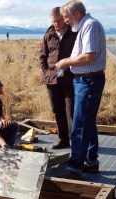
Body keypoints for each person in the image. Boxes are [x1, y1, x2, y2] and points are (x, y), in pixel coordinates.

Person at [56, 0, 106, 179]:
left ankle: (75, 168)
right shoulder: (84, 26)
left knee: (80, 124)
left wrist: (66, 62)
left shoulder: (89, 26)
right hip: (86, 80)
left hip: (88, 80)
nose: (65, 20)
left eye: (66, 16)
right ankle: (90, 161)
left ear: (76, 14)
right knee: (88, 122)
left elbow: (89, 56)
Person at [40, 7, 77, 149]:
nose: (56, 24)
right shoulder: (48, 34)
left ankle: (75, 141)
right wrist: (46, 72)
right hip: (52, 80)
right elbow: (42, 55)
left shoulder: (74, 32)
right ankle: (62, 139)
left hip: (70, 79)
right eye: (53, 21)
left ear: (65, 18)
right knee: (57, 110)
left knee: (71, 111)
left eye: (59, 21)